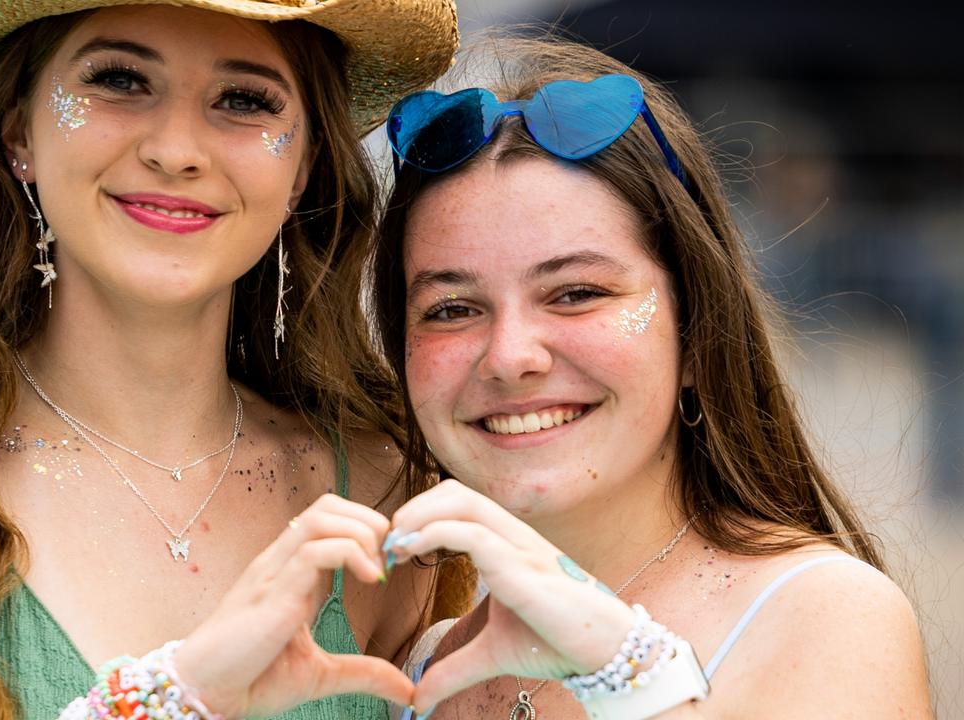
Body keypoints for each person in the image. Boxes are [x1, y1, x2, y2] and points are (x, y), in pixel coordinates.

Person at [0, 2, 466, 719]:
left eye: (243, 100)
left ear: (301, 167)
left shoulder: (379, 489)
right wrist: (175, 695)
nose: (175, 151)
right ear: (20, 132)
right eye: (119, 81)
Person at [366, 38, 934, 719]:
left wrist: (624, 670)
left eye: (576, 292)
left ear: (697, 333)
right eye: (452, 309)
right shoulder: (424, 663)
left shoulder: (821, 617)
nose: (510, 355)